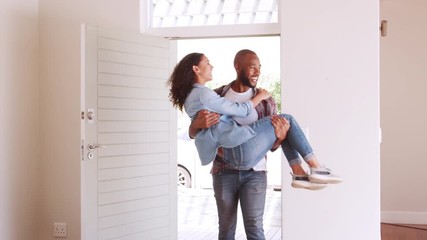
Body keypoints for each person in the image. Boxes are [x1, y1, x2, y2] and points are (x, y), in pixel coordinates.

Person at [171, 50, 341, 239]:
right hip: (224, 169)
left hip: (254, 171)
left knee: (254, 227)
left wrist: (281, 137)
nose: (257, 72)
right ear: (238, 67)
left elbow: (272, 144)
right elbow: (195, 131)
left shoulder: (267, 101)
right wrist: (196, 125)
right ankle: (309, 169)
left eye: (259, 67)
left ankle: (301, 172)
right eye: (252, 67)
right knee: (226, 228)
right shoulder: (216, 94)